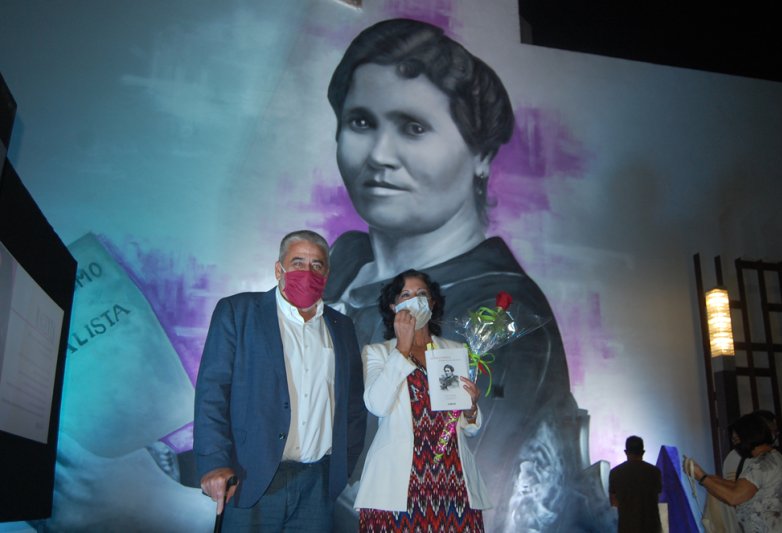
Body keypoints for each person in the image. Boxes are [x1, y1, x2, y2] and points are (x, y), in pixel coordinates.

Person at [324, 18, 600, 532]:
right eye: (361, 122)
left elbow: (455, 443)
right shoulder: (344, 263)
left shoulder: (503, 315)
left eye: (412, 126)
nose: (379, 156)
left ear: (481, 155)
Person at [194, 229, 367, 531]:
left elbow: (352, 403)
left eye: (317, 265)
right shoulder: (238, 312)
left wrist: (343, 466)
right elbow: (213, 392)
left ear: (327, 273)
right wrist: (213, 461)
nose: (308, 272)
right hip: (252, 478)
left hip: (318, 485)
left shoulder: (342, 327)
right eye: (298, 262)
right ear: (279, 269)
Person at [355, 269, 489, 531]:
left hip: (452, 478)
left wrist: (471, 408)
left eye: (421, 294)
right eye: (406, 294)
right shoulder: (378, 353)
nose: (414, 299)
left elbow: (466, 425)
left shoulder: (455, 350)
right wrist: (402, 349)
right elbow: (376, 405)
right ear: (394, 306)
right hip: (396, 483)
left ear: (433, 303)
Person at [685, 412, 782, 533]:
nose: (736, 445)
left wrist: (702, 478)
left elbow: (735, 497)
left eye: (736, 440)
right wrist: (709, 478)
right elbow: (742, 486)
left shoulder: (760, 464)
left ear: (748, 437)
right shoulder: (776, 457)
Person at [608, 436, 662, 533]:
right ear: (643, 452)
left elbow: (614, 502)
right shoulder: (655, 472)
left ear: (626, 452)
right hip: (652, 528)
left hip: (627, 528)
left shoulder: (615, 473)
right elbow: (657, 497)